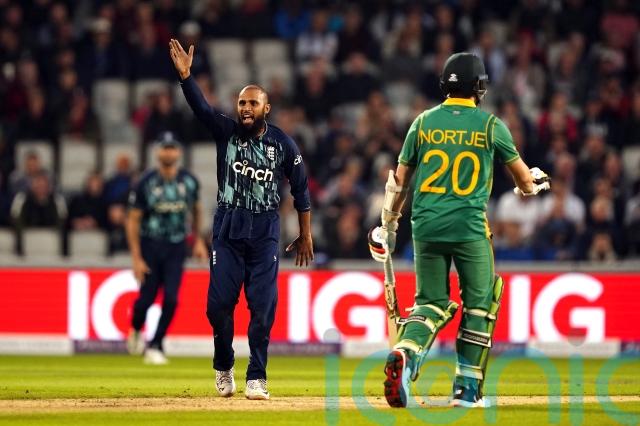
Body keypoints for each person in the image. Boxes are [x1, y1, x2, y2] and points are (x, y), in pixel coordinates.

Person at [368, 53, 550, 408]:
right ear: (479, 87)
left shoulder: (422, 122)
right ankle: (466, 390)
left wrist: (388, 224)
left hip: (425, 226)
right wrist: (537, 182)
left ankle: (406, 352)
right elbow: (525, 183)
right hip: (469, 227)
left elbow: (399, 181)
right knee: (481, 304)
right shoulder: (491, 125)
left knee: (429, 303)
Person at [169, 39, 313, 400]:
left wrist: (305, 234)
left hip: (265, 233)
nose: (246, 108)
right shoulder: (226, 132)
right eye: (241, 103)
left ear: (267, 108)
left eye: (253, 103)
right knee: (217, 307)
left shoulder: (283, 145)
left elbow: (301, 190)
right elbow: (202, 108)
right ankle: (224, 365)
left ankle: (257, 377)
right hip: (228, 229)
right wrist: (186, 77)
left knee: (263, 307)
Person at [126, 132, 208, 365]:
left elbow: (197, 210)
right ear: (157, 152)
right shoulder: (145, 182)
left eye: (172, 148)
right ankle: (136, 328)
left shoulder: (189, 181)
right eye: (165, 148)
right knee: (146, 299)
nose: (169, 152)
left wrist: (198, 240)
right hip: (151, 245)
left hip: (176, 246)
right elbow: (133, 220)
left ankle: (156, 344)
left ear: (179, 152)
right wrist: (136, 257)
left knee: (171, 299)